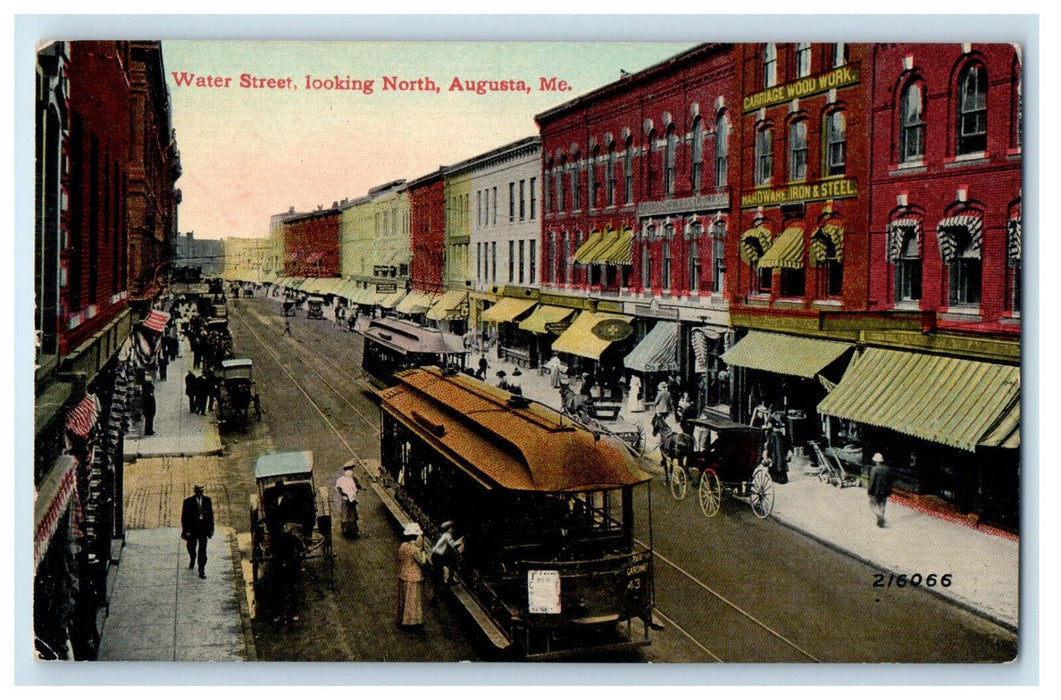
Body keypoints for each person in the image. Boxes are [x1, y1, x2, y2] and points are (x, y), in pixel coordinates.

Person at [181, 485, 214, 579]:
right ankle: (192, 558)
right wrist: (186, 530)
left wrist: (211, 529)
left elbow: (210, 516)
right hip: (192, 529)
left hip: (203, 529)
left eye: (201, 491)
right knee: (191, 547)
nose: (199, 493)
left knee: (202, 550)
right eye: (198, 491)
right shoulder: (188, 502)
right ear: (195, 491)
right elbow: (184, 517)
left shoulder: (207, 500)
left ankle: (201, 570)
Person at [396, 522, 426, 627]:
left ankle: (402, 618)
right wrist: (423, 551)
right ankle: (411, 620)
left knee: (404, 598)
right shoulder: (415, 549)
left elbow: (400, 558)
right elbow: (422, 562)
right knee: (412, 599)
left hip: (403, 573)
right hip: (414, 576)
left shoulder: (403, 546)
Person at [430, 521, 463, 599]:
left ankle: (437, 591)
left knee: (439, 574)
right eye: (451, 529)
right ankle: (439, 592)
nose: (452, 530)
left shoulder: (442, 535)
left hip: (435, 555)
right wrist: (460, 541)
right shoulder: (447, 535)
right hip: (438, 557)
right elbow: (452, 545)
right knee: (440, 575)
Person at [867, 453, 893, 528]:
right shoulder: (887, 469)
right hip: (884, 491)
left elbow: (872, 481)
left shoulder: (874, 469)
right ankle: (880, 523)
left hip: (875, 491)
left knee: (872, 505)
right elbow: (890, 481)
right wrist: (889, 491)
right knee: (882, 506)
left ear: (876, 461)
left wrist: (869, 490)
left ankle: (880, 517)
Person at [335, 467, 359, 538]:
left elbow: (356, 487)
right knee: (346, 514)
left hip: (351, 500)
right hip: (346, 500)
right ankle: (346, 530)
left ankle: (352, 530)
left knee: (352, 514)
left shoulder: (353, 479)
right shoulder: (341, 480)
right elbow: (338, 489)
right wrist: (345, 494)